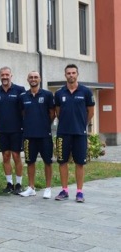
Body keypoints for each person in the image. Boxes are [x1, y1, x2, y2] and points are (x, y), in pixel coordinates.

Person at [54, 64, 95, 202]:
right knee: (62, 162)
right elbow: (58, 112)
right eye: (68, 73)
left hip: (80, 133)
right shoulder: (59, 93)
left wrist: (82, 124)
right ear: (65, 75)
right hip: (63, 133)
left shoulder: (86, 92)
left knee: (80, 163)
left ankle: (79, 192)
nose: (71, 75)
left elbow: (91, 112)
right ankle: (64, 190)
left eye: (73, 73)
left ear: (77, 74)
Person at [18, 71, 55, 199]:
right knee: (30, 162)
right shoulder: (23, 96)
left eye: (35, 77)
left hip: (44, 135)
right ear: (28, 80)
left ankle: (48, 188)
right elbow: (23, 113)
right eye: (31, 77)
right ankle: (31, 187)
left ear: (40, 79)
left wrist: (43, 124)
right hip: (29, 135)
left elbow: (52, 113)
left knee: (48, 161)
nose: (33, 79)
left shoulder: (48, 95)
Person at [0, 66, 26, 194]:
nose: (4, 77)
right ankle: (9, 183)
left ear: (11, 76)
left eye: (7, 74)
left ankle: (18, 184)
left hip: (17, 129)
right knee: (5, 156)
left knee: (16, 156)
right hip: (2, 129)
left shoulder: (20, 90)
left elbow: (23, 109)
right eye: (2, 75)